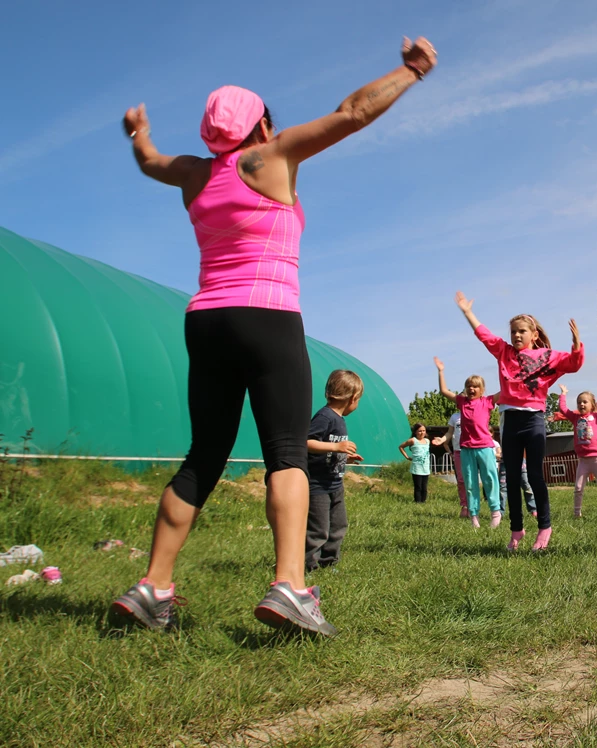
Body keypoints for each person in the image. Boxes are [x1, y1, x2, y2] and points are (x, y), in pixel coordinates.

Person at [109, 36, 438, 637]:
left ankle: (152, 586)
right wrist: (411, 71)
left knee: (203, 455)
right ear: (260, 122)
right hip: (268, 317)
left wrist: (139, 133)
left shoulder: (192, 174)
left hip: (205, 320)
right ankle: (290, 584)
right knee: (285, 454)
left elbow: (150, 161)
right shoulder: (270, 158)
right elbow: (353, 113)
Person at [455, 292, 584, 551]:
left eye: (522, 331)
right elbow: (485, 336)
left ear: (534, 334)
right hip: (509, 420)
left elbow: (574, 364)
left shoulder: (547, 356)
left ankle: (544, 528)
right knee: (511, 478)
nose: (516, 335)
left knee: (535, 475)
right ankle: (516, 530)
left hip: (533, 419)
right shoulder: (504, 353)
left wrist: (577, 343)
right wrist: (468, 312)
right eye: (513, 331)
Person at [304, 370, 364, 572]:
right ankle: (308, 566)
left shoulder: (339, 420)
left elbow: (329, 448)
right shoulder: (325, 416)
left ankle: (329, 563)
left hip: (335, 483)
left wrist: (345, 456)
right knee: (318, 529)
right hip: (318, 485)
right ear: (353, 398)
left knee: (338, 525)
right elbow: (307, 442)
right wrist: (337, 447)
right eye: (359, 400)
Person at [435, 358, 502, 528]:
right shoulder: (462, 402)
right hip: (466, 449)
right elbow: (443, 391)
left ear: (482, 389)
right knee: (470, 483)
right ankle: (474, 516)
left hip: (485, 447)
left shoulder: (487, 402)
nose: (471, 389)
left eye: (475, 386)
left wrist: (505, 368)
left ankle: (495, 511)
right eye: (469, 386)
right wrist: (441, 371)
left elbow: (506, 390)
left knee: (490, 480)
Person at [556, 385, 597, 518]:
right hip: (582, 460)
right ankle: (577, 514)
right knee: (578, 488)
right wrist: (563, 394)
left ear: (592, 404)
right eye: (579, 402)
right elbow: (563, 409)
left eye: (585, 402)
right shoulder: (575, 418)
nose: (581, 404)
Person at [400, 424, 447, 503]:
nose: (422, 433)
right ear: (415, 432)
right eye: (420, 431)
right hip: (416, 468)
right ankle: (417, 502)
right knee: (418, 486)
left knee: (424, 487)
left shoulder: (427, 441)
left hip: (425, 468)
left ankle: (423, 501)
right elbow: (401, 447)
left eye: (423, 431)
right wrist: (407, 457)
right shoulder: (413, 440)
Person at [447, 411, 470, 517]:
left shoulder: (474, 412)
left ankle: (473, 506)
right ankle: (464, 505)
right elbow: (449, 433)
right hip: (458, 450)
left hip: (471, 450)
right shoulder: (454, 416)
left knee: (471, 479)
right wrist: (442, 440)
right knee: (461, 480)